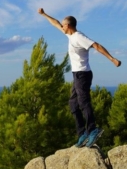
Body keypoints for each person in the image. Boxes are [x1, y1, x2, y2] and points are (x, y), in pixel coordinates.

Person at [37, 8, 121, 148]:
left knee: (83, 102)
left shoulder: (78, 36)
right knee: (73, 105)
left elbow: (96, 45)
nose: (61, 26)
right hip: (77, 75)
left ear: (68, 26)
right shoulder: (70, 35)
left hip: (83, 75)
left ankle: (93, 129)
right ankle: (82, 133)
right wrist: (44, 14)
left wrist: (112, 59)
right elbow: (55, 23)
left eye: (63, 25)